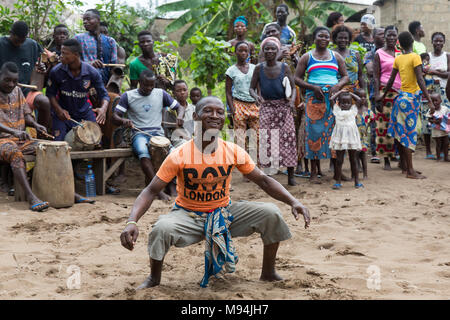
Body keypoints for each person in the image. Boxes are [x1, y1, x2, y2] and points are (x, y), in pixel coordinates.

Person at [119, 96, 310, 289]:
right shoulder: (179, 154)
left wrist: (294, 202)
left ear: (224, 119)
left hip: (224, 214)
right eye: (208, 111)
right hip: (188, 216)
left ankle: (268, 273)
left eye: (219, 112)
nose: (214, 115)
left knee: (271, 213)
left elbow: (264, 181)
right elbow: (150, 191)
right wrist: (131, 221)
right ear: (195, 116)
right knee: (161, 228)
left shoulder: (232, 151)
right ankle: (154, 278)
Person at [112, 69, 183, 199]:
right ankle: (156, 190)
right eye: (146, 85)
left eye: (152, 85)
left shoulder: (161, 94)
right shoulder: (128, 96)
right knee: (143, 153)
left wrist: (180, 116)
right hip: (138, 133)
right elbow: (115, 116)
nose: (149, 88)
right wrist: (123, 120)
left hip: (158, 133)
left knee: (173, 155)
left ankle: (172, 187)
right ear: (139, 82)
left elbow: (179, 107)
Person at [294, 27, 349, 184]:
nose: (324, 38)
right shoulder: (307, 57)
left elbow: (345, 76)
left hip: (333, 99)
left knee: (336, 134)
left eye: (327, 36)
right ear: (314, 38)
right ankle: (313, 173)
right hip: (314, 99)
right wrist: (312, 87)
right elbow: (296, 78)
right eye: (321, 36)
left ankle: (337, 171)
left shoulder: (336, 56)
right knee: (314, 134)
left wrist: (337, 86)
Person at [382, 31, 432, 179]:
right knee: (409, 135)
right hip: (410, 100)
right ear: (412, 42)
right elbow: (420, 80)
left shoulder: (399, 58)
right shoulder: (415, 57)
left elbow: (391, 81)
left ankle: (405, 166)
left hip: (400, 99)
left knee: (400, 134)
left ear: (400, 44)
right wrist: (429, 99)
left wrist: (382, 96)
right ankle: (410, 171)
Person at [0, 62, 49, 211]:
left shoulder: (18, 92)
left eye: (15, 81)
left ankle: (67, 192)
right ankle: (31, 197)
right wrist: (13, 132)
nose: (11, 84)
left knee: (48, 149)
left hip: (21, 140)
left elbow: (27, 115)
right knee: (15, 153)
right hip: (2, 141)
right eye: (7, 80)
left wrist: (35, 125)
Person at [249, 37, 298, 186]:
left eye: (273, 49)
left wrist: (291, 101)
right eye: (267, 49)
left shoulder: (284, 67)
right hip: (267, 107)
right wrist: (256, 96)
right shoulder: (259, 68)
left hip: (283, 107)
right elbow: (251, 88)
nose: (270, 51)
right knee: (266, 140)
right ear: (263, 51)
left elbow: (294, 87)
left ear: (277, 51)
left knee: (288, 139)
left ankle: (291, 176)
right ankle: (266, 176)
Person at [47, 39, 108, 141]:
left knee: (95, 142)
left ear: (75, 55)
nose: (60, 56)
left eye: (64, 53)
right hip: (63, 115)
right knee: (58, 143)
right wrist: (59, 110)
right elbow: (50, 94)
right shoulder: (56, 71)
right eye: (61, 52)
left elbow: (104, 95)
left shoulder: (92, 72)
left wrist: (103, 109)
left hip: (84, 113)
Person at [0, 21, 51, 130]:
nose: (20, 43)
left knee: (44, 101)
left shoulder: (31, 45)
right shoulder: (1, 44)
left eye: (23, 40)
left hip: (25, 91)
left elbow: (40, 63)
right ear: (11, 33)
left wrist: (42, 67)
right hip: (4, 91)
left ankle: (42, 136)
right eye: (17, 40)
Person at [226, 41, 259, 165]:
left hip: (253, 104)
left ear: (249, 53)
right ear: (235, 52)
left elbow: (258, 86)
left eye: (246, 51)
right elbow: (228, 92)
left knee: (257, 136)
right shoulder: (231, 71)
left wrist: (259, 100)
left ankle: (255, 164)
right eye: (240, 50)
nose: (243, 53)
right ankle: (244, 166)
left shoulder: (254, 68)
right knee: (240, 138)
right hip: (238, 104)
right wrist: (232, 108)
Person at [373, 26, 401, 170]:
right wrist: (378, 95)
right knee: (384, 127)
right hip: (386, 92)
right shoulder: (379, 53)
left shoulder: (401, 52)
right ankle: (387, 161)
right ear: (384, 37)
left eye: (394, 35)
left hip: (401, 93)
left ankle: (402, 158)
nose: (391, 38)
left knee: (400, 125)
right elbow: (376, 76)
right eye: (388, 35)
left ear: (397, 37)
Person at [329, 90, 362, 189]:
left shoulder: (353, 110)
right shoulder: (337, 111)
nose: (345, 104)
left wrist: (350, 94)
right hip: (340, 140)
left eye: (348, 102)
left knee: (353, 160)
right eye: (343, 102)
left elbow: (359, 99)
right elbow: (331, 99)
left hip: (351, 139)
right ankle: (338, 182)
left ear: (351, 103)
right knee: (339, 160)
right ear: (339, 103)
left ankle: (357, 181)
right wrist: (340, 92)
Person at [74, 9, 118, 84]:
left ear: (98, 20)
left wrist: (110, 85)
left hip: (104, 83)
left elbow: (113, 66)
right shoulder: (78, 39)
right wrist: (89, 64)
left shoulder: (110, 41)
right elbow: (72, 61)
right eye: (84, 20)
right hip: (83, 81)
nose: (85, 22)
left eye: (88, 19)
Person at [364, 27, 385, 163]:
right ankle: (374, 152)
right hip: (374, 92)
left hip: (390, 92)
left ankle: (390, 152)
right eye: (380, 34)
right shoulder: (370, 54)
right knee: (374, 123)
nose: (383, 36)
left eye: (385, 34)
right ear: (373, 37)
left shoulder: (392, 53)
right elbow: (371, 71)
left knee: (389, 123)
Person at [332, 25, 365, 91]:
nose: (343, 40)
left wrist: (363, 91)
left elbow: (360, 76)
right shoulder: (330, 54)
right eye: (340, 38)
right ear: (335, 39)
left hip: (354, 91)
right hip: (336, 90)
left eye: (345, 38)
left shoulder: (355, 54)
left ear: (349, 39)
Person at [354, 87, 374, 179]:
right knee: (355, 155)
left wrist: (368, 128)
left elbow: (372, 120)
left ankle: (365, 174)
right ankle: (355, 174)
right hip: (355, 137)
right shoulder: (353, 110)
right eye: (359, 97)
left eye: (364, 97)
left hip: (364, 137)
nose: (362, 99)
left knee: (363, 155)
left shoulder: (367, 110)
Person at [426, 32, 450, 105]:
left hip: (444, 90)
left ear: (444, 42)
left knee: (444, 114)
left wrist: (435, 72)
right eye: (436, 41)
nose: (438, 43)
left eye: (441, 41)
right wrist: (442, 73)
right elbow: (425, 71)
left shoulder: (447, 56)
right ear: (432, 42)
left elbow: (449, 74)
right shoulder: (428, 56)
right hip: (430, 92)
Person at [171, 80, 195, 148]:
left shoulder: (194, 109)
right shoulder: (170, 110)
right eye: (179, 91)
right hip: (178, 141)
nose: (182, 92)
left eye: (184, 90)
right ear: (173, 93)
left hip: (192, 140)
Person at [427, 92, 449, 161]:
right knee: (438, 144)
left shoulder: (445, 108)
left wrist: (444, 120)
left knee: (446, 143)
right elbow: (429, 119)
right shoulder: (431, 111)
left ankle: (446, 157)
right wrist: (435, 121)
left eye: (436, 100)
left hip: (444, 130)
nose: (434, 103)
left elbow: (448, 116)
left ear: (440, 101)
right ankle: (438, 157)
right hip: (436, 131)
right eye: (432, 101)